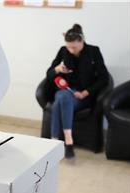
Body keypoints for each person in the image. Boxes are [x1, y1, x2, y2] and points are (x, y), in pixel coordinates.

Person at [46, 24, 108, 158]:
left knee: (59, 102)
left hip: (83, 96)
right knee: (63, 97)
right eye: (68, 46)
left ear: (82, 41)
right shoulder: (63, 51)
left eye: (74, 47)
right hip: (64, 91)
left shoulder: (93, 51)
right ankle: (68, 141)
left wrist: (86, 92)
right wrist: (58, 69)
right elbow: (49, 73)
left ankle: (54, 142)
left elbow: (104, 78)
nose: (71, 50)